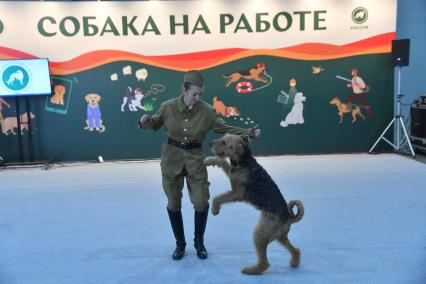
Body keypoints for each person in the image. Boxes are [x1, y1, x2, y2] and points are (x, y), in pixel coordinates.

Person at [138, 70, 260, 261]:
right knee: (173, 203)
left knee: (202, 202)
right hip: (171, 159)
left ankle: (199, 242)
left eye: (200, 94)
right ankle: (180, 244)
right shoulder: (168, 107)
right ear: (184, 91)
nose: (197, 98)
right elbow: (153, 124)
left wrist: (247, 133)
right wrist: (144, 122)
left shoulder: (207, 111)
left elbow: (225, 128)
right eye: (194, 94)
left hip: (195, 159)